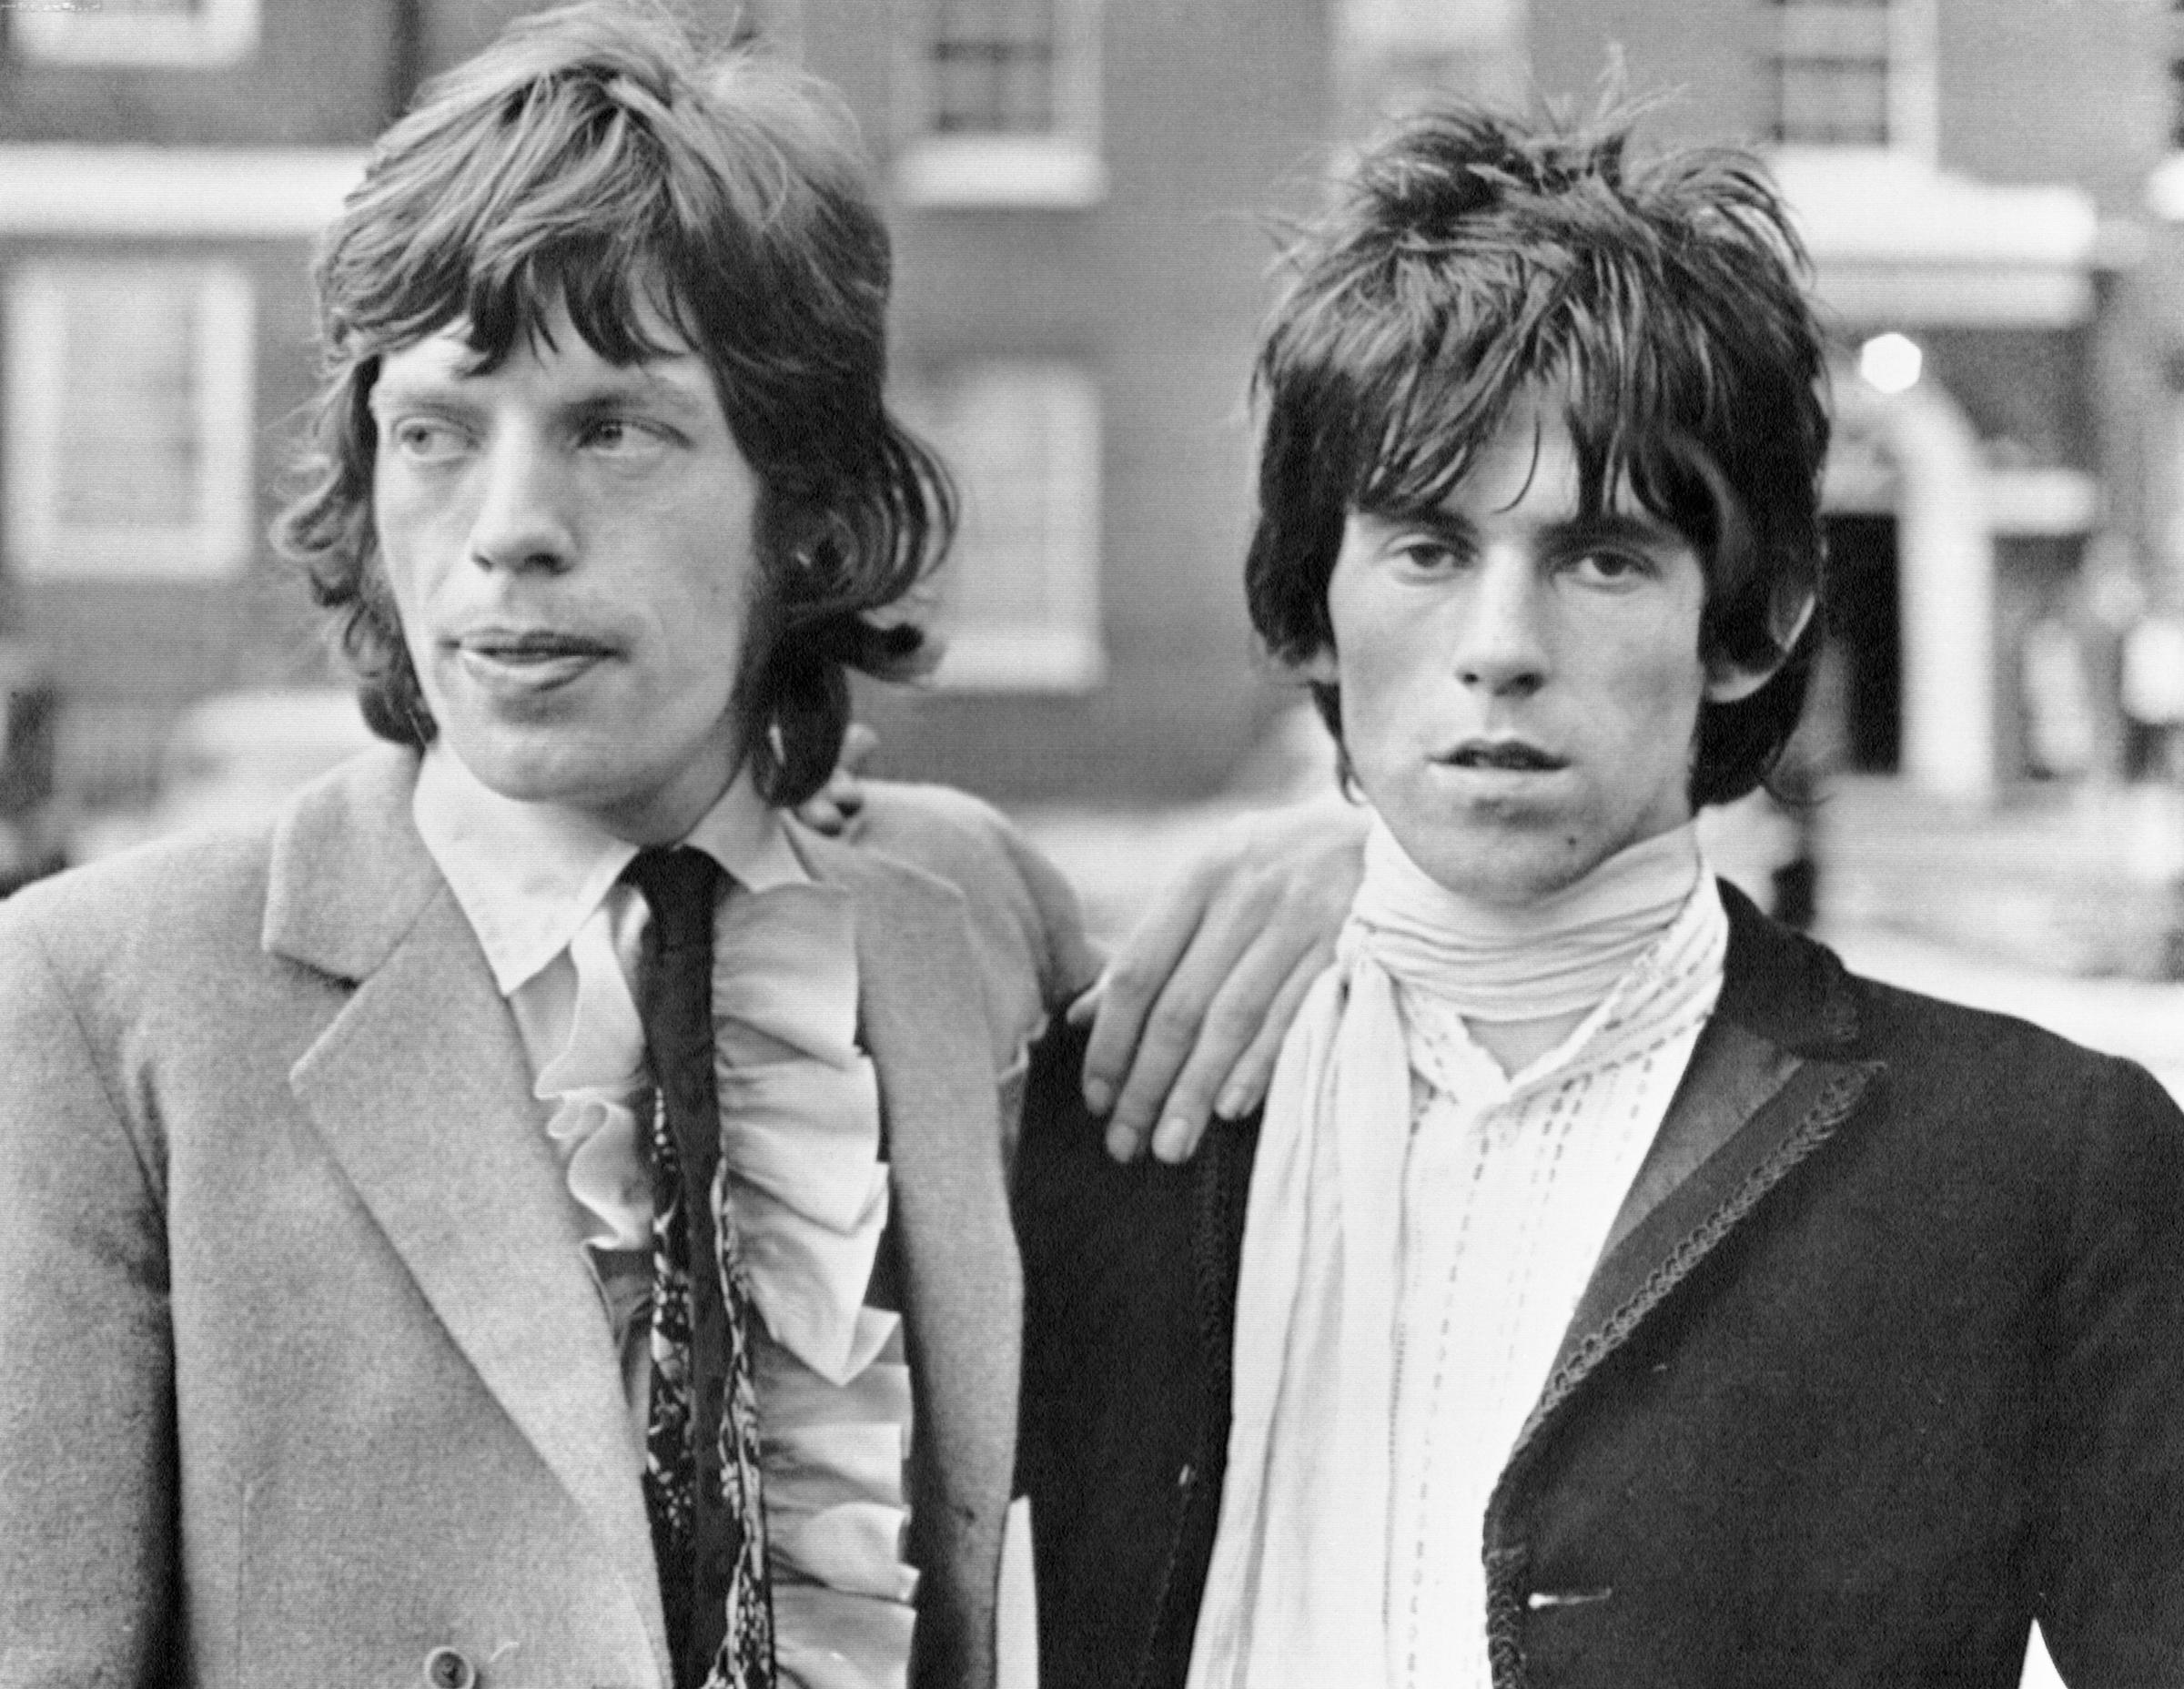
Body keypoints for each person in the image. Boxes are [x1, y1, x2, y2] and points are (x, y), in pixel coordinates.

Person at [0, 8, 1353, 1687]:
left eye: (612, 430)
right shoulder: (101, 1003)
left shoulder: (970, 913)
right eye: (435, 430)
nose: (506, 532)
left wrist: (1387, 876)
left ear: (802, 500)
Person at [1017, 104, 2184, 1689]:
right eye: (1428, 548)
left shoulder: (2035, 1162)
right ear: (1310, 605)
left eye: (1605, 558)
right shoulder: (1122, 1118)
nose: (1502, 642)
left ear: (1750, 624)